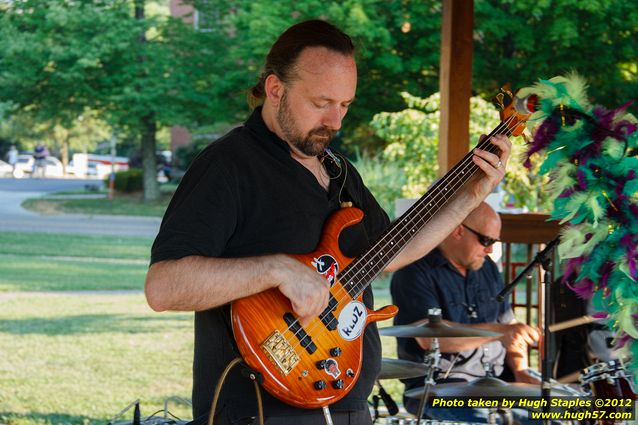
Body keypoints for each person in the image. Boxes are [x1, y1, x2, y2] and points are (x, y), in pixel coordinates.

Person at [145, 19, 511, 425]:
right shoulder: (228, 166)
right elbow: (163, 287)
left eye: (345, 105)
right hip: (260, 411)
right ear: (274, 89)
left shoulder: (339, 172)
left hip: (345, 402)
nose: (335, 122)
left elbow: (389, 253)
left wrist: (471, 195)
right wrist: (277, 270)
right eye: (321, 103)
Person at [390, 202, 541, 423]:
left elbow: (509, 328)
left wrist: (520, 371)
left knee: (565, 411)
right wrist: (499, 332)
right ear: (458, 230)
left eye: (494, 242)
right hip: (442, 389)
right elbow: (428, 337)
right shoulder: (414, 270)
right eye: (486, 241)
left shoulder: (487, 267)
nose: (490, 249)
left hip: (497, 382)